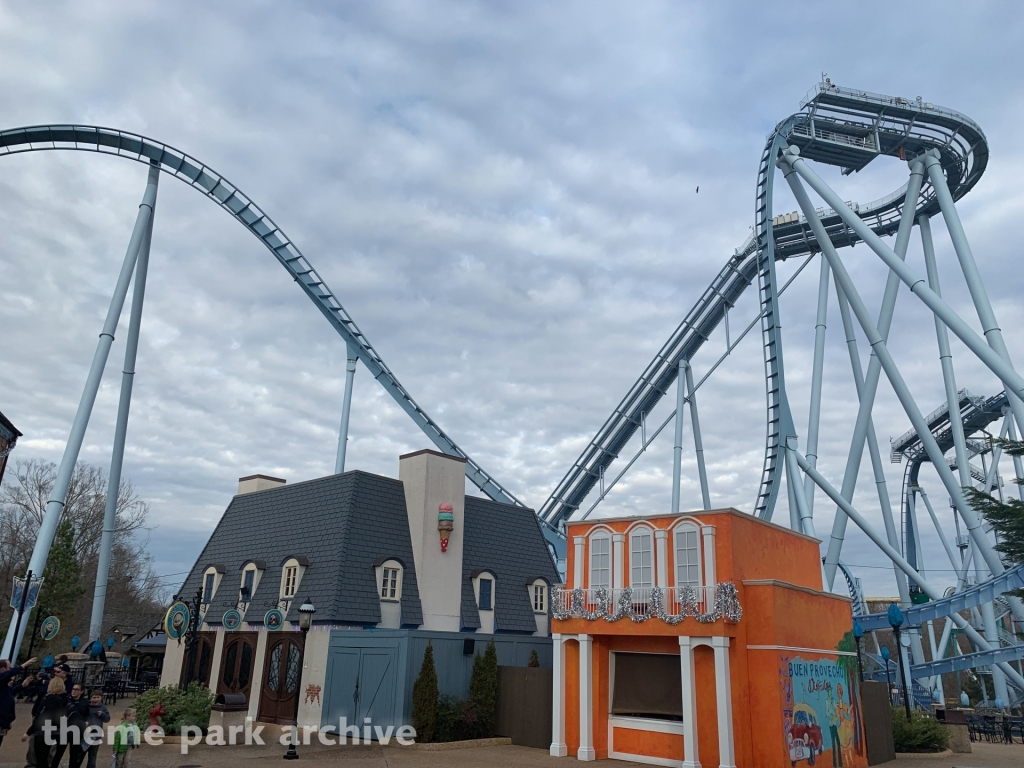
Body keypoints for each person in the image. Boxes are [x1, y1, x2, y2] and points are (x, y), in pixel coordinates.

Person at [23, 677, 68, 768]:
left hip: (44, 732)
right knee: (49, 758)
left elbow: (42, 717)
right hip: (57, 731)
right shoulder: (64, 699)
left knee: (41, 759)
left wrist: (28, 732)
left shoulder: (50, 699)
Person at [0, 657, 36, 747]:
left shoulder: (4, 686)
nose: (10, 670)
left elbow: (9, 693)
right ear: (3, 669)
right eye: (9, 668)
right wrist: (23, 666)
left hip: (3, 722)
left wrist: (22, 686)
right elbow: (8, 674)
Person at [71, 690, 109, 768]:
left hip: (96, 735)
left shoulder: (103, 708)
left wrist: (103, 715)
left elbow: (107, 719)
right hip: (85, 735)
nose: (96, 699)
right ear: (90, 698)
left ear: (101, 698)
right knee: (80, 753)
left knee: (92, 756)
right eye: (94, 697)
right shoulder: (87, 707)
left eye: (98, 697)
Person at [65, 683, 89, 768]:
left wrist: (85, 723)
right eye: (73, 689)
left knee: (74, 754)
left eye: (77, 690)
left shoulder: (85, 702)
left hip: (77, 731)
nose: (74, 691)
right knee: (58, 752)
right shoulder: (66, 700)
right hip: (65, 730)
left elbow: (87, 714)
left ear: (82, 691)